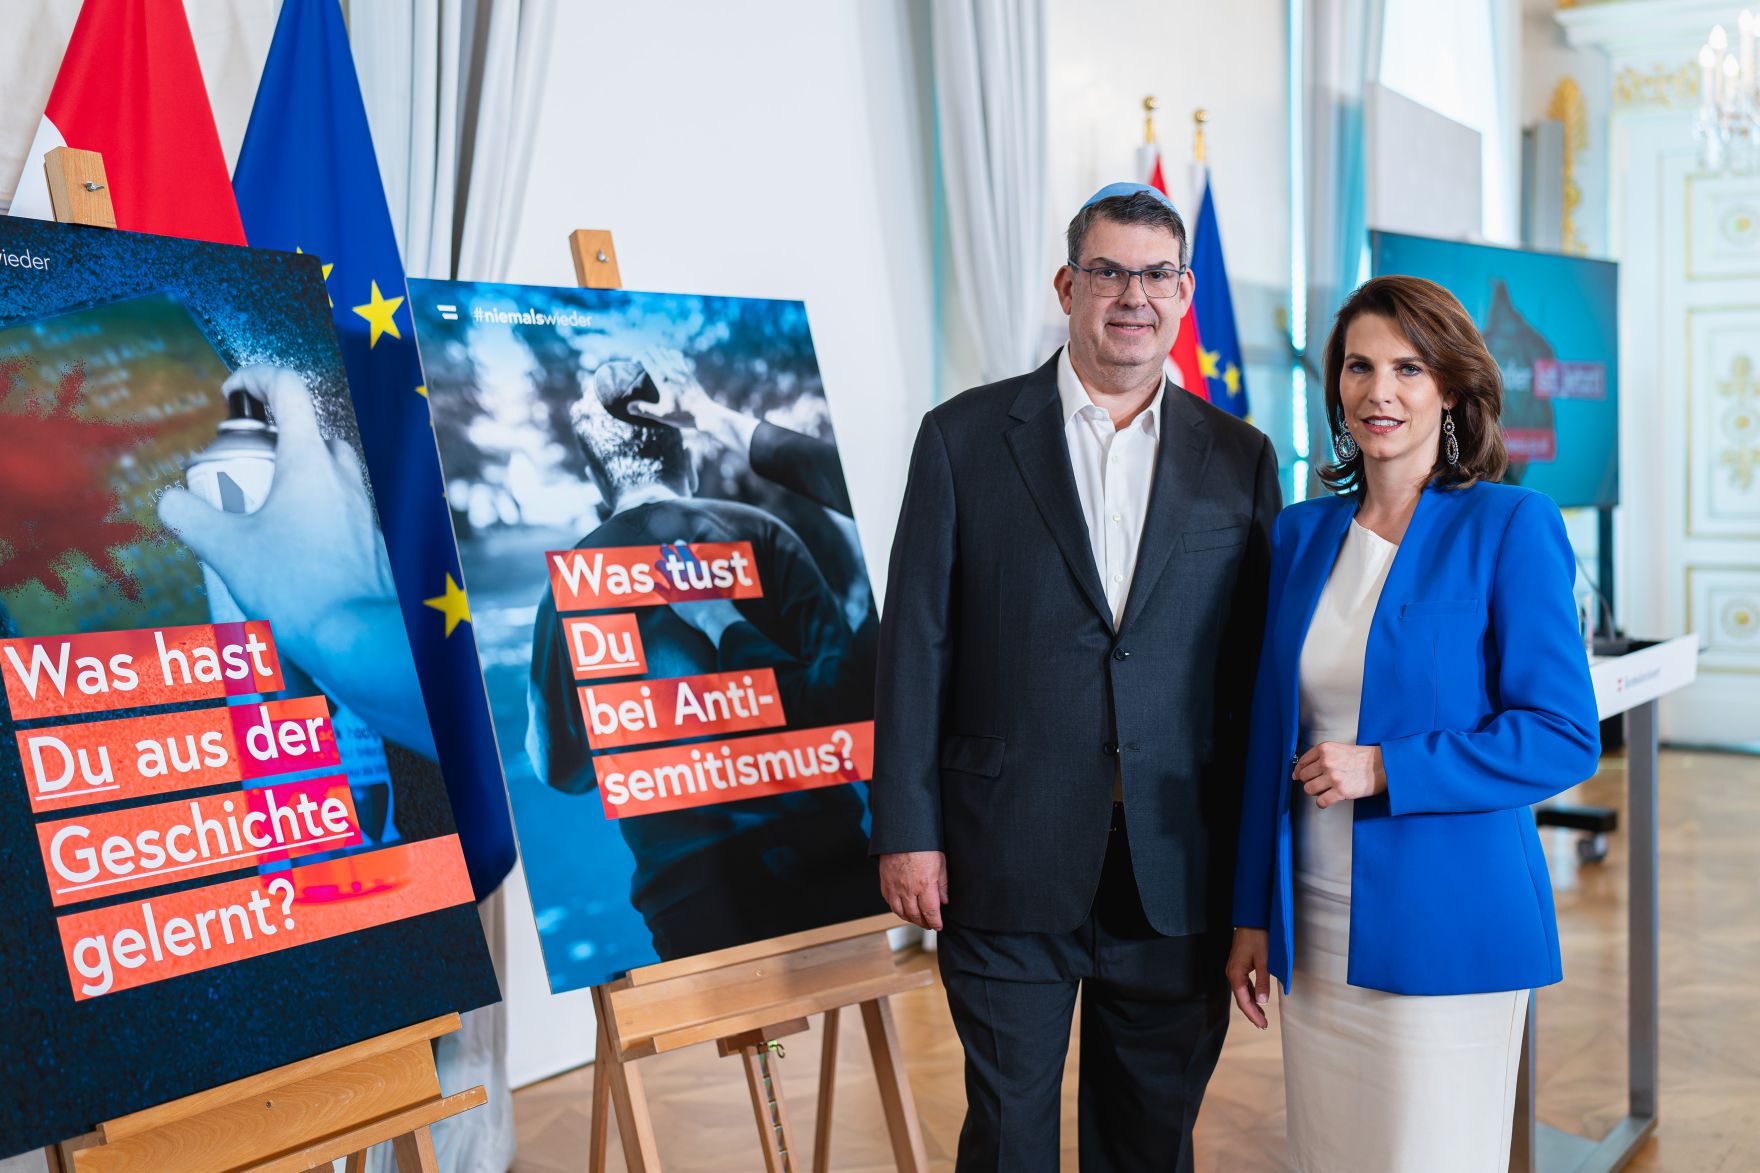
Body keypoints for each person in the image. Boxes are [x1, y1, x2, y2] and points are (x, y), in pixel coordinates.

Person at [871, 183, 1281, 1173]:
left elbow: (1253, 681)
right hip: (998, 859)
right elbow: (912, 648)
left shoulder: (1240, 459)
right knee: (1007, 1138)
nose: (1129, 295)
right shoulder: (961, 439)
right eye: (1106, 271)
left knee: (1148, 1141)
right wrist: (906, 832)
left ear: (1183, 293)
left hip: (1173, 873)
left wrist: (1251, 890)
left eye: (1153, 275)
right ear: (1066, 285)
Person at [1226, 275, 1601, 1172]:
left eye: (1407, 366)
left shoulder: (1510, 523)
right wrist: (1249, 915)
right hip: (1312, 929)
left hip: (1449, 924)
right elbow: (1263, 733)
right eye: (1359, 366)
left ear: (1452, 389)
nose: (1378, 391)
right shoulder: (1299, 536)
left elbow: (1561, 732)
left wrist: (1387, 766)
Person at [527, 358, 883, 960]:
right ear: (684, 456)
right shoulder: (766, 535)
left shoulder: (571, 585)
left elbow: (563, 770)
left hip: (690, 895)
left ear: (594, 474)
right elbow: (840, 705)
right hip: (828, 860)